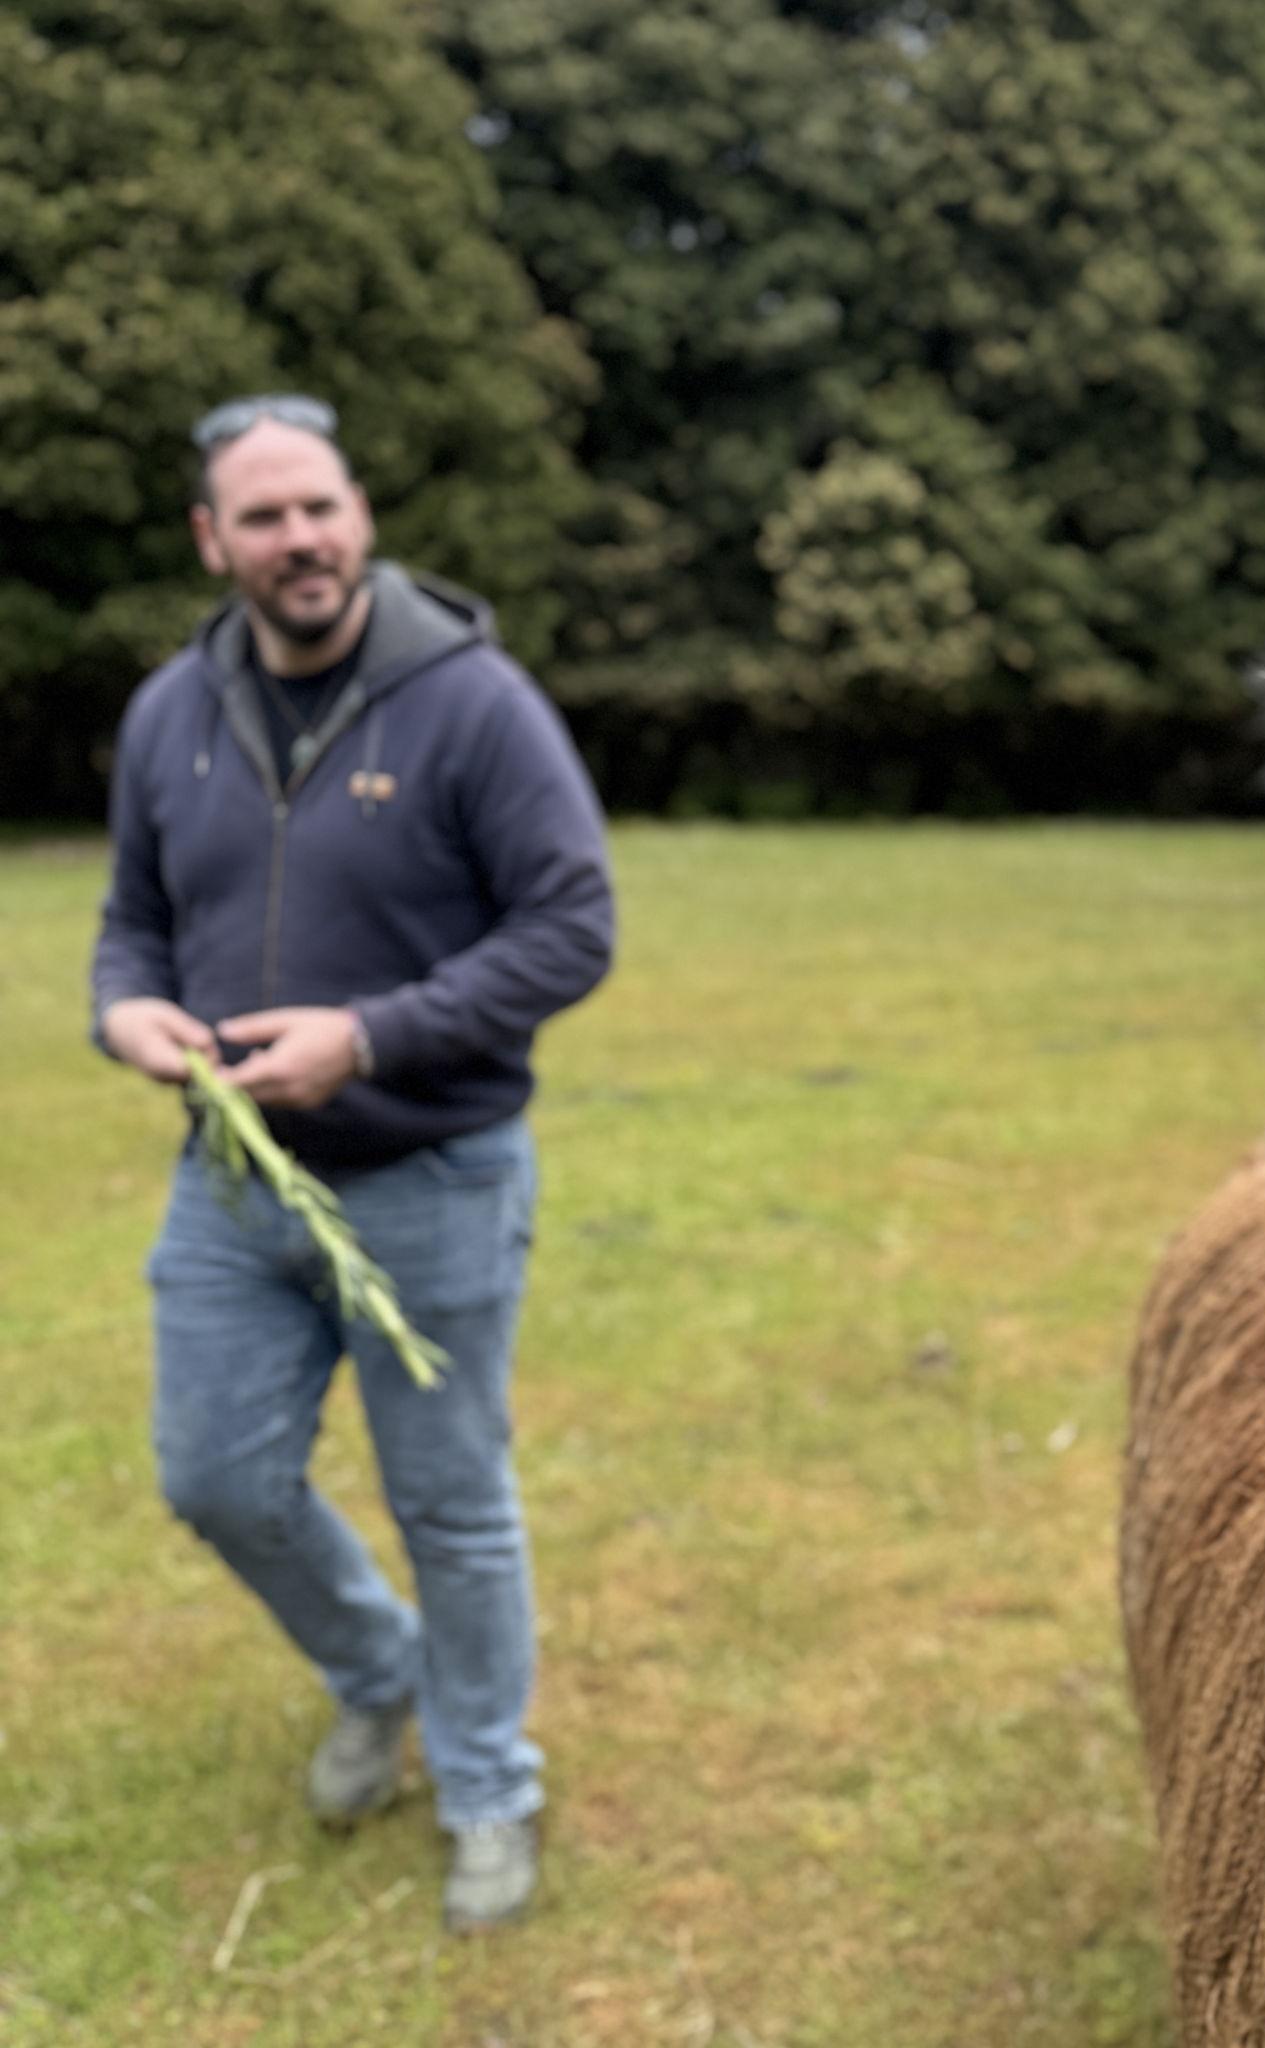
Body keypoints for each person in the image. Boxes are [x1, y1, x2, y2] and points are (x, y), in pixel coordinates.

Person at [90, 393, 614, 1932]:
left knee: (450, 1502)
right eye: (262, 517)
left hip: (434, 1177)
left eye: (318, 506)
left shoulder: (473, 703)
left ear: (359, 512)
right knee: (214, 1477)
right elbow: (131, 916)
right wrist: (120, 1005)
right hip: (231, 1183)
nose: (298, 538)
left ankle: (486, 1789)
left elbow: (573, 925)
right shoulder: (165, 715)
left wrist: (369, 1037)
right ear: (215, 540)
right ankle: (381, 1674)